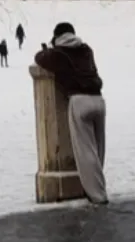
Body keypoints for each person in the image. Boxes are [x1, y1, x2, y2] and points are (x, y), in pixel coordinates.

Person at [34, 22, 107, 205]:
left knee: (85, 152)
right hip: (98, 100)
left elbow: (40, 57)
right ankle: (98, 186)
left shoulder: (58, 54)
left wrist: (50, 48)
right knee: (98, 150)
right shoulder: (86, 49)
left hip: (79, 101)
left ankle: (97, 195)